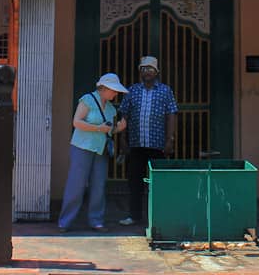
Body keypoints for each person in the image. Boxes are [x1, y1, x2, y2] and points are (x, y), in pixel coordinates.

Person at [57, 73, 128, 232]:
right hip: (82, 147)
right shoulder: (87, 100)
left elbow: (108, 130)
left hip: (100, 150)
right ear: (105, 88)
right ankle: (65, 221)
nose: (116, 94)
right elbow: (76, 122)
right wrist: (98, 128)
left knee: (99, 185)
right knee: (76, 185)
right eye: (114, 90)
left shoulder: (110, 109)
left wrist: (118, 128)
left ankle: (96, 221)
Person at [115, 56, 178, 227]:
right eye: (143, 69)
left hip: (157, 145)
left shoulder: (165, 91)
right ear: (140, 72)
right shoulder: (132, 90)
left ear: (156, 72)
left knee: (159, 183)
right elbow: (124, 115)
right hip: (136, 145)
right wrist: (122, 138)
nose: (146, 72)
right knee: (135, 182)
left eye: (150, 69)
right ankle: (134, 216)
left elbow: (171, 115)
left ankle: (160, 216)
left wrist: (170, 139)